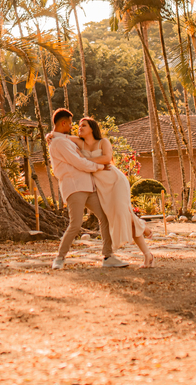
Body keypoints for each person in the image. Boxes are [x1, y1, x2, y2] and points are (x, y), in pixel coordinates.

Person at [50, 116, 155, 268]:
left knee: (116, 214)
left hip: (113, 180)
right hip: (93, 184)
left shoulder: (102, 142)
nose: (78, 128)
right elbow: (65, 140)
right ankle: (59, 258)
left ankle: (109, 256)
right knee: (80, 222)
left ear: (92, 128)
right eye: (77, 125)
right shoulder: (74, 143)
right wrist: (51, 134)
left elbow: (107, 158)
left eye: (83, 125)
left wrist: (90, 162)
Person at [47, 108, 127, 270]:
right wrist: (99, 166)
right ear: (63, 123)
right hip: (74, 187)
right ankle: (59, 258)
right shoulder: (59, 143)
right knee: (75, 224)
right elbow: (79, 163)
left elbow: (76, 142)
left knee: (104, 217)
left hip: (87, 186)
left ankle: (108, 256)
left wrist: (51, 134)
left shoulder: (62, 139)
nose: (72, 127)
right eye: (70, 124)